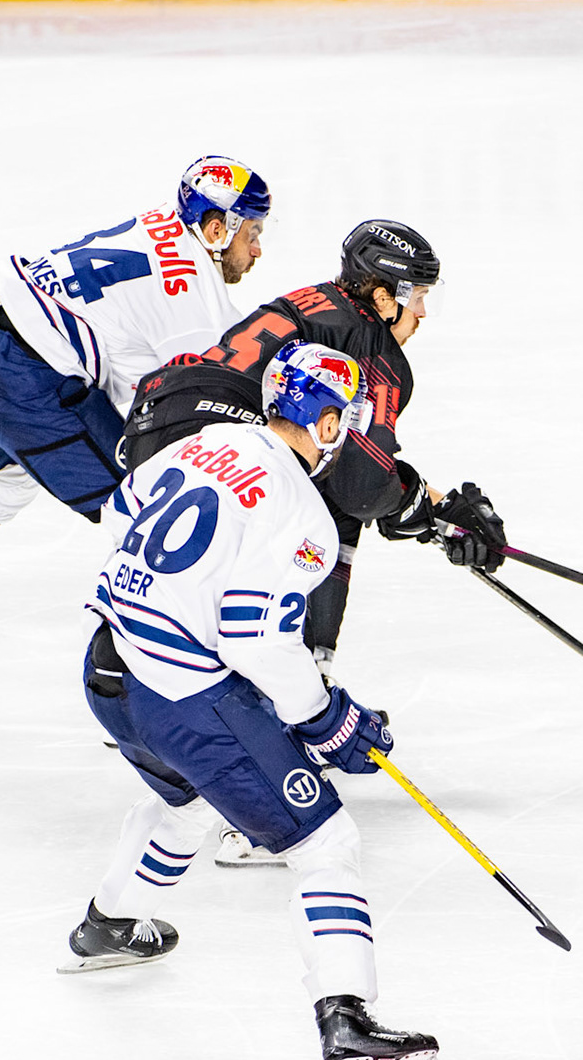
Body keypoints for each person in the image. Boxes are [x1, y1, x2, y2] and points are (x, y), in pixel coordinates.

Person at [60, 340, 447, 1060]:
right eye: (341, 417)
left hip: (106, 664)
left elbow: (121, 507)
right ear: (321, 417)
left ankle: (109, 925)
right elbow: (255, 635)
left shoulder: (209, 443)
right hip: (181, 695)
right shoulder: (301, 513)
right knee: (326, 840)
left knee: (188, 797)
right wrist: (326, 718)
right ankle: (349, 1030)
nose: (346, 432)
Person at [120, 219, 508, 865]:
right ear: (382, 294)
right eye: (414, 296)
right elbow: (362, 482)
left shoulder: (311, 303)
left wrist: (421, 501)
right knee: (325, 526)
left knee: (214, 564)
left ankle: (167, 688)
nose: (420, 313)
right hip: (236, 435)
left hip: (158, 424)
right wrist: (435, 513)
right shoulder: (375, 350)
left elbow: (358, 464)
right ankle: (287, 727)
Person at [0, 157, 272, 651]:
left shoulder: (160, 222)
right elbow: (200, 406)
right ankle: (153, 680)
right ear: (216, 228)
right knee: (149, 507)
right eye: (253, 231)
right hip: (21, 382)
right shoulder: (193, 303)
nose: (258, 249)